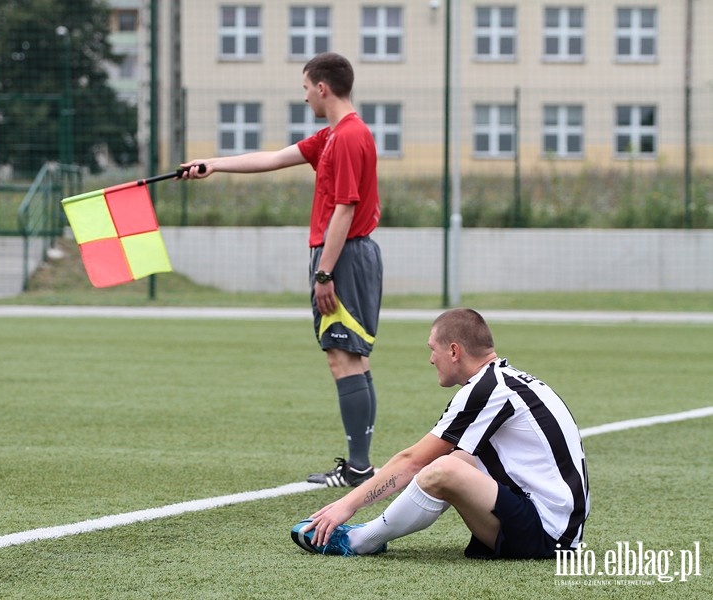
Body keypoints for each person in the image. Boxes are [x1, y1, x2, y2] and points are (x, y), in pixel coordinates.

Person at [180, 52, 382, 487]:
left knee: (343, 358)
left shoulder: (347, 137)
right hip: (345, 255)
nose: (305, 95)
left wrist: (324, 273)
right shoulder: (334, 135)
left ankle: (359, 467)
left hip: (342, 256)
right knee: (350, 358)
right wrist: (212, 164)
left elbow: (345, 210)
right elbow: (272, 159)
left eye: (306, 87)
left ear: (322, 87)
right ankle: (359, 464)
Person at [291, 308, 590, 559]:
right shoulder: (502, 380)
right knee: (454, 457)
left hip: (550, 534)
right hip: (553, 525)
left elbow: (412, 461)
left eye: (432, 350)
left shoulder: (488, 389)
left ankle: (359, 541)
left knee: (444, 468)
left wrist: (345, 506)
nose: (431, 360)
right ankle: (368, 534)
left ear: (454, 351)